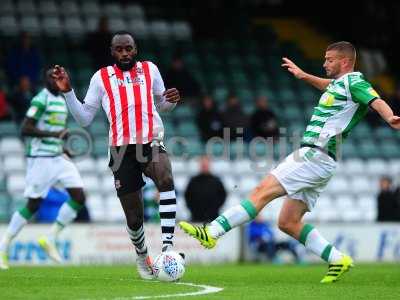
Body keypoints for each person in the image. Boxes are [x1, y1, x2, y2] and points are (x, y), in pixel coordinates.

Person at [179, 41, 400, 283]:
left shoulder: (356, 82)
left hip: (314, 154)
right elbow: (328, 85)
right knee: (288, 222)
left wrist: (390, 117)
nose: (324, 63)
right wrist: (304, 76)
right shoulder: (342, 85)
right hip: (323, 160)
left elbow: (375, 99)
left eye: (329, 60)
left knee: (261, 191)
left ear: (345, 62)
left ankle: (212, 231)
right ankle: (337, 258)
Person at [51, 31, 181, 279]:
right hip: (121, 151)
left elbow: (163, 104)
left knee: (165, 179)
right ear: (112, 52)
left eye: (128, 48)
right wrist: (68, 92)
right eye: (119, 49)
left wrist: (171, 101)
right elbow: (85, 119)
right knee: (134, 218)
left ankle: (167, 248)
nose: (124, 53)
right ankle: (142, 255)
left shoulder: (149, 69)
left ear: (135, 49)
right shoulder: (101, 78)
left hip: (150, 141)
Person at [0, 68, 87, 270]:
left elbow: (56, 132)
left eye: (59, 76)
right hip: (40, 159)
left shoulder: (61, 100)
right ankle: (3, 247)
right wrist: (55, 134)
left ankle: (50, 238)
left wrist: (64, 148)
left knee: (79, 196)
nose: (56, 79)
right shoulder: (41, 99)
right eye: (51, 76)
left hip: (58, 157)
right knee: (33, 204)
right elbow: (26, 128)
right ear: (45, 80)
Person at [184, 156, 226, 222]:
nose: (204, 166)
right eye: (203, 164)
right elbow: (187, 196)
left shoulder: (216, 181)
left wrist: (214, 208)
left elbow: (222, 196)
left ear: (209, 165)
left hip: (213, 218)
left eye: (206, 164)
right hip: (196, 218)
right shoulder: (193, 181)